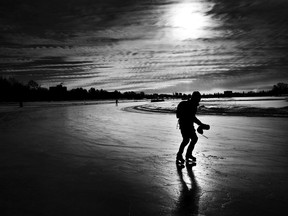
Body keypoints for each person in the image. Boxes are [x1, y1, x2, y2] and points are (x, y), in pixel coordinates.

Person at [176, 91, 209, 164]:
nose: (199, 100)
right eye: (199, 98)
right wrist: (201, 124)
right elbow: (192, 117)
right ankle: (180, 155)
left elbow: (192, 117)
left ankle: (187, 155)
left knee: (192, 139)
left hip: (188, 125)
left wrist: (200, 125)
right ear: (195, 98)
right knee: (186, 140)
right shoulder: (191, 105)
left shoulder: (191, 104)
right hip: (184, 125)